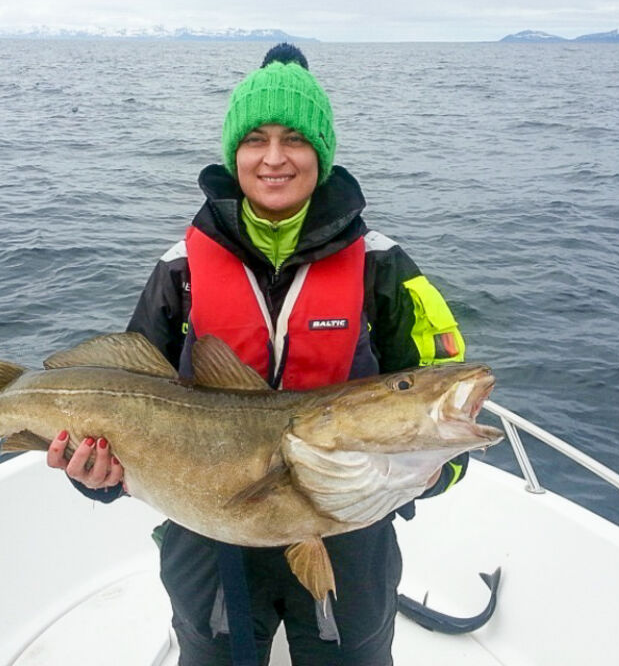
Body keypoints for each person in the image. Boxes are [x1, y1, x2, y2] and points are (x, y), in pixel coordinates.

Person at [48, 43, 469, 665]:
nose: (274, 158)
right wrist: (97, 478)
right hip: (208, 531)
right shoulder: (181, 269)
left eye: (295, 139)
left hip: (348, 532)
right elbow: (122, 394)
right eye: (256, 140)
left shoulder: (384, 267)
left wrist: (434, 474)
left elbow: (438, 392)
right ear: (234, 154)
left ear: (321, 153)